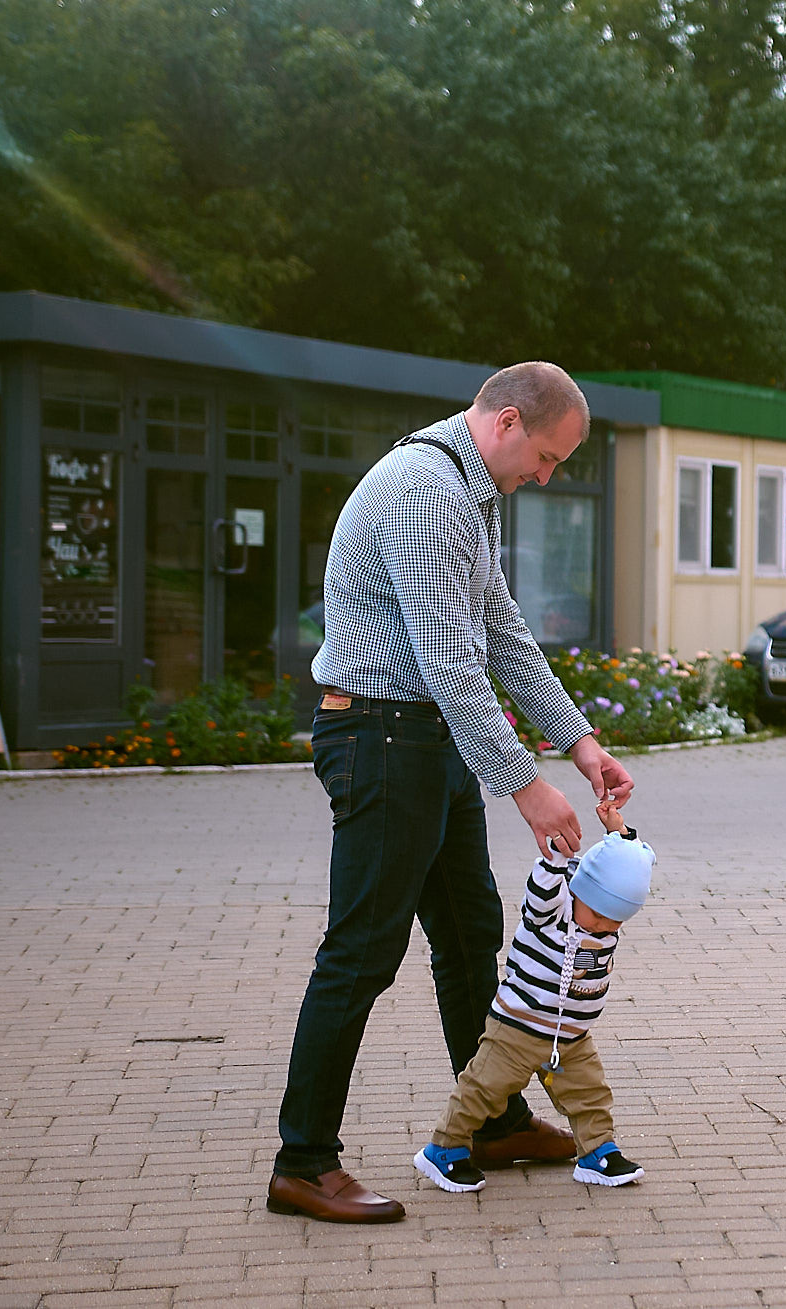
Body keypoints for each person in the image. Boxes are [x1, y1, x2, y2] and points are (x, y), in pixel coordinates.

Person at [267, 362, 636, 1224]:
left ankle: (495, 1122)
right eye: (546, 457)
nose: (545, 477)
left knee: (472, 935)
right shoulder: (426, 491)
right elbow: (450, 662)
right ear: (506, 422)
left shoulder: (470, 491)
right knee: (362, 951)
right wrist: (527, 787)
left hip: (425, 739)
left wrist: (581, 744)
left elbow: (500, 631)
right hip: (382, 738)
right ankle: (302, 1162)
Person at [415, 798, 655, 1194]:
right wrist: (557, 854)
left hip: (571, 1036)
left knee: (590, 1093)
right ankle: (444, 1149)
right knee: (483, 1089)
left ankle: (597, 1152)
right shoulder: (552, 910)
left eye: (615, 919)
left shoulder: (604, 916)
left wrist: (619, 830)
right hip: (517, 1028)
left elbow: (629, 863)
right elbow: (548, 881)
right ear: (578, 891)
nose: (603, 926)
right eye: (596, 914)